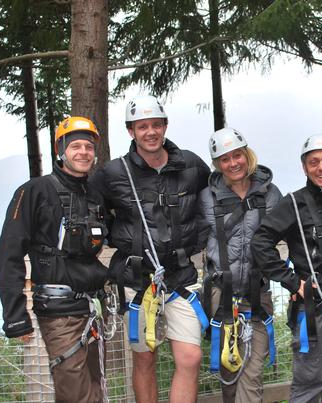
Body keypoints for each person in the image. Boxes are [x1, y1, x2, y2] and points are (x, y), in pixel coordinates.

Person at [89, 95, 210, 403]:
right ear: (131, 131)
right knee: (145, 358)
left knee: (190, 357)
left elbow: (215, 202)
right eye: (142, 127)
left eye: (156, 125)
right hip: (137, 279)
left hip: (182, 276)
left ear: (165, 126)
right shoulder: (113, 174)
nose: (151, 132)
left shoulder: (192, 165)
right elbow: (92, 214)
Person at [0, 116, 110, 402]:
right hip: (59, 312)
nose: (83, 152)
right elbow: (8, 254)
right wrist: (16, 316)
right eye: (75, 146)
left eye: (89, 147)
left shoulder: (95, 195)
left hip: (93, 307)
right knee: (75, 392)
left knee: (95, 389)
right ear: (61, 150)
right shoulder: (34, 191)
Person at [252, 134, 322, 403]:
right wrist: (292, 282)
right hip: (313, 304)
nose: (321, 167)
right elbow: (261, 241)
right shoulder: (294, 203)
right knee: (310, 379)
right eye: (314, 162)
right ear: (304, 167)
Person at [199, 127, 282, 402]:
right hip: (221, 294)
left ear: (247, 155)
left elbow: (288, 232)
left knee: (252, 370)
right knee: (230, 371)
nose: (233, 163)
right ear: (217, 164)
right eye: (225, 159)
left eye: (238, 155)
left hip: (257, 294)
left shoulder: (270, 195)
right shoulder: (206, 198)